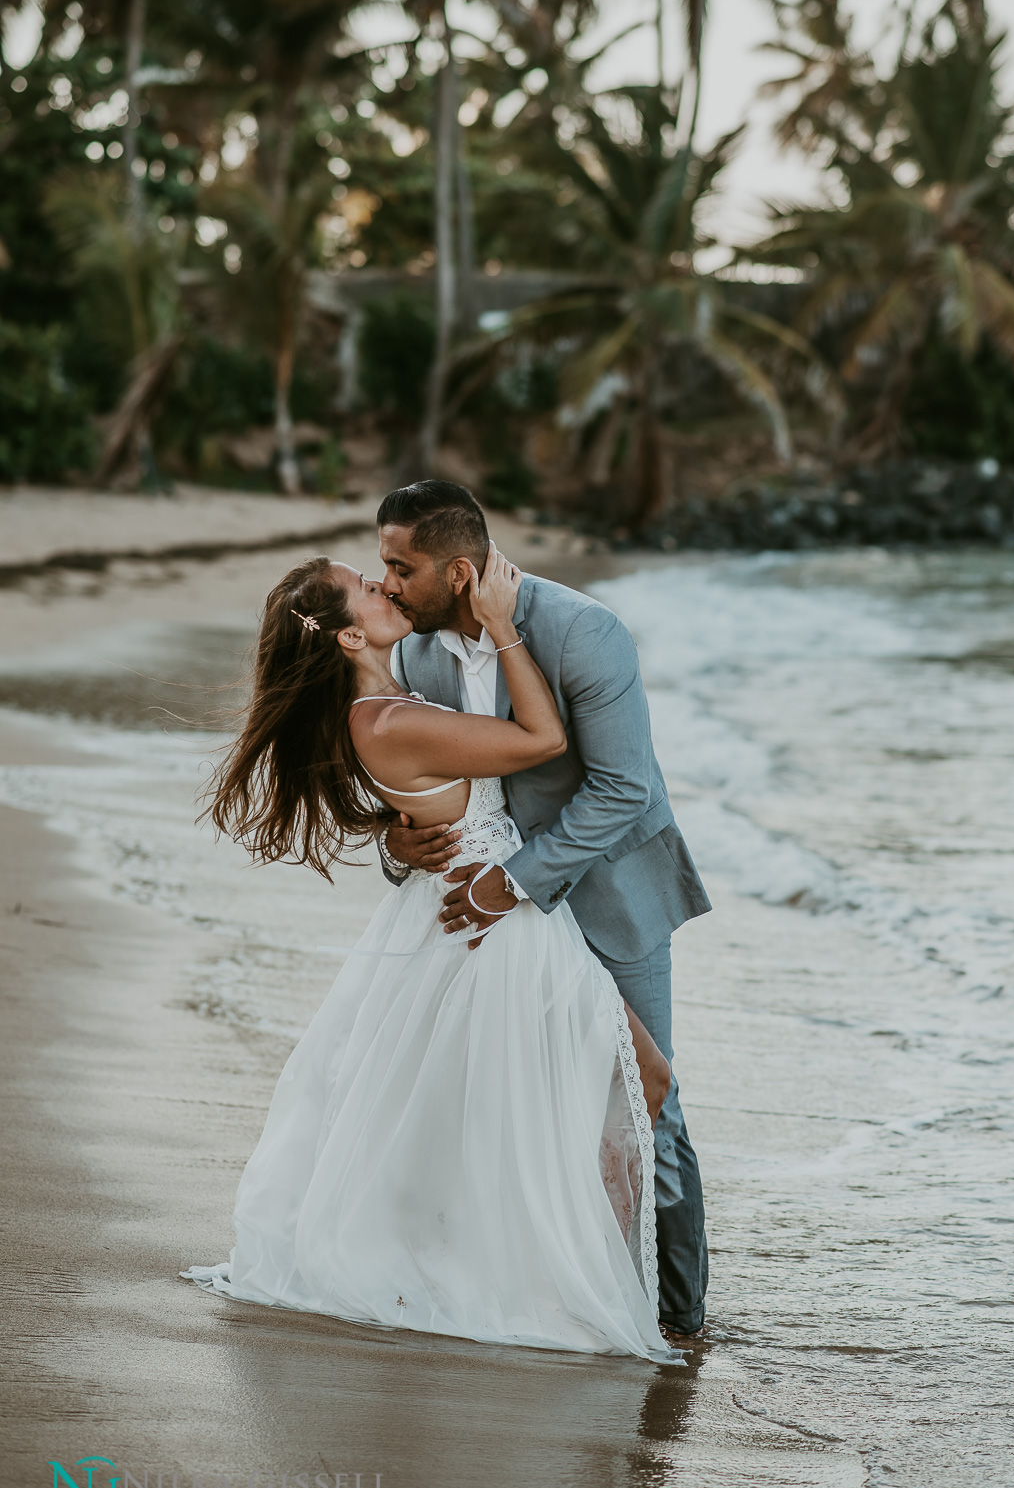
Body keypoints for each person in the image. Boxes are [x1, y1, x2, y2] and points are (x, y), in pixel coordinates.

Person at [183, 544, 679, 1363]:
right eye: (363, 587)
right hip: (497, 923)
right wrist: (503, 628)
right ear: (348, 638)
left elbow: (425, 790)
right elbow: (544, 740)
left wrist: (393, 833)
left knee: (515, 1109)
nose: (381, 586)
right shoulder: (390, 717)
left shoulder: (384, 703)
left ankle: (587, 1280)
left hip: (471, 910)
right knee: (632, 1082)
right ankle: (588, 1293)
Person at [375, 481, 711, 1337]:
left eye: (400, 567)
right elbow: (438, 790)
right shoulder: (416, 659)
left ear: (458, 570)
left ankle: (678, 1321)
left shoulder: (582, 631)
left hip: (606, 900)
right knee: (496, 1107)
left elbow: (624, 788)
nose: (386, 585)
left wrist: (513, 881)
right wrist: (395, 848)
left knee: (645, 1110)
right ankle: (543, 1291)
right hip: (494, 927)